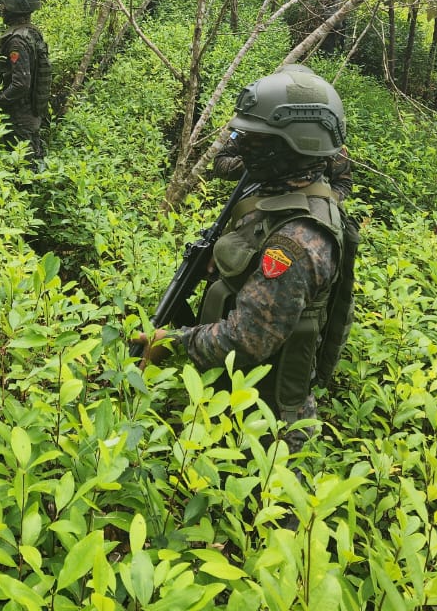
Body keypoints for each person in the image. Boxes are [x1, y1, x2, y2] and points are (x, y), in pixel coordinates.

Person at [136, 66, 354, 454]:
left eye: (256, 139)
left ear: (289, 147)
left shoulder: (296, 242)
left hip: (265, 429)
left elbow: (245, 340)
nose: (242, 144)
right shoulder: (280, 192)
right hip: (239, 397)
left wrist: (168, 343)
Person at [213, 64, 353, 203]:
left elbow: (343, 183)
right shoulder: (255, 125)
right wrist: (261, 164)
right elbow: (220, 164)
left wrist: (322, 203)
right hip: (255, 199)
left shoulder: (324, 138)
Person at [0, 0, 51, 166]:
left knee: (25, 169)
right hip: (27, 113)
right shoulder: (30, 33)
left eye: (4, 4)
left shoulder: (17, 41)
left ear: (14, 6)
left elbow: (21, 84)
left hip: (20, 117)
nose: (2, 8)